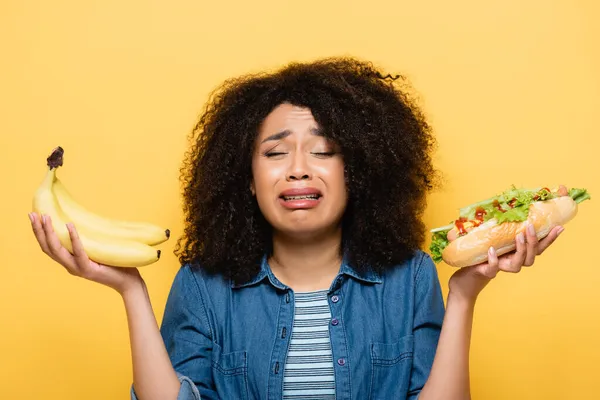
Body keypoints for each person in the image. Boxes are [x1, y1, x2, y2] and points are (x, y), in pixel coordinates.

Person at [29, 56, 564, 400]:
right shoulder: (202, 285)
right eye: (275, 152)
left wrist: (465, 295)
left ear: (361, 170)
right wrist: (130, 291)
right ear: (246, 176)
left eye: (325, 150)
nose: (300, 168)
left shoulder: (412, 276)